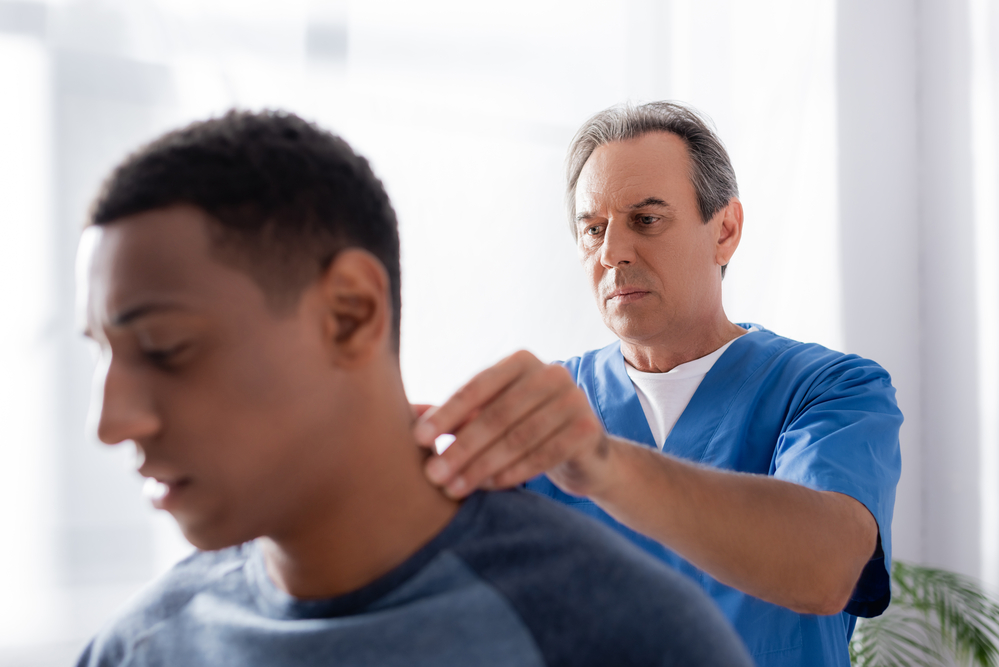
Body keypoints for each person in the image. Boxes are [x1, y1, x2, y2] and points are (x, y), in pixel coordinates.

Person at [73, 110, 753, 667]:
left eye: (165, 348)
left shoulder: (624, 637)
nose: (111, 421)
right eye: (104, 353)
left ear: (350, 313)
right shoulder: (134, 650)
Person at [412, 102, 903, 667]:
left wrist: (604, 463)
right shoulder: (539, 410)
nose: (613, 252)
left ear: (725, 230)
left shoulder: (829, 390)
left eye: (646, 220)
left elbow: (826, 568)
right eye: (593, 229)